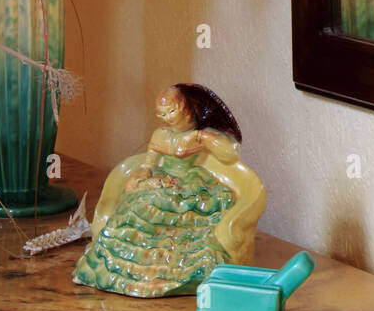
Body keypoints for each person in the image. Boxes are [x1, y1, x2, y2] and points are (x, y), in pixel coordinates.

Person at [73, 83, 266, 298]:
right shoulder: (160, 135)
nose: (167, 118)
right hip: (163, 180)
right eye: (162, 114)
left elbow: (231, 153)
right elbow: (148, 163)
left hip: (192, 183)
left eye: (171, 111)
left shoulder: (201, 134)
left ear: (185, 107)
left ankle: (181, 273)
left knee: (185, 220)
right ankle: (136, 273)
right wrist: (140, 176)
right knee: (140, 207)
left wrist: (202, 138)